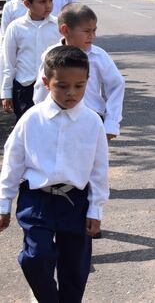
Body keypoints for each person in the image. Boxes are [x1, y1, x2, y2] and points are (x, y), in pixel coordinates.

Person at [0, 45, 109, 302]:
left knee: (75, 268)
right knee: (35, 258)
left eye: (79, 86)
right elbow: (13, 162)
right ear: (46, 82)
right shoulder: (31, 119)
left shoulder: (92, 121)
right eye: (62, 86)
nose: (71, 93)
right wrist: (4, 203)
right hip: (37, 200)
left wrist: (96, 209)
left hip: (76, 201)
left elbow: (99, 169)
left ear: (87, 82)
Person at [32, 4, 125, 140]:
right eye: (87, 31)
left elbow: (117, 85)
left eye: (94, 31)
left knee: (88, 158)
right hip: (58, 118)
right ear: (65, 30)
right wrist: (41, 116)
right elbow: (41, 88)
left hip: (91, 118)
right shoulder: (51, 55)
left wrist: (112, 122)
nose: (92, 36)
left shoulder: (99, 56)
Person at [1, 0, 60, 120]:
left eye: (50, 0)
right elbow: (7, 62)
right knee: (26, 127)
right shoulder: (16, 27)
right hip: (24, 86)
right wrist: (6, 92)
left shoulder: (58, 26)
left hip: (52, 87)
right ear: (27, 4)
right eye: (42, 2)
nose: (48, 5)